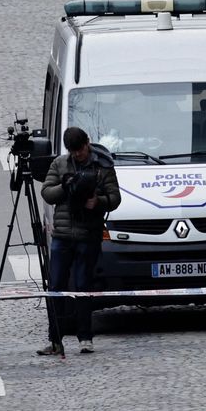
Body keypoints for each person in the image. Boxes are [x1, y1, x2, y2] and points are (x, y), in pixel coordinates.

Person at [38, 127, 121, 357]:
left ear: (88, 143)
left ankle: (85, 337)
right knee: (56, 288)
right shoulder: (59, 164)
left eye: (81, 150)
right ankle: (55, 340)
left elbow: (115, 198)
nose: (78, 155)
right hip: (63, 236)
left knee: (84, 288)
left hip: (88, 234)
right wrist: (65, 186)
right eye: (73, 152)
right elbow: (46, 193)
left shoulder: (102, 165)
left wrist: (99, 202)